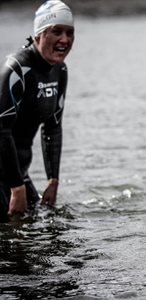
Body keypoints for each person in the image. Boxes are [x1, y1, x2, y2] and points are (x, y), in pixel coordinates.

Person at [0, 0, 75, 222]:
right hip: (8, 176)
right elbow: (1, 132)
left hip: (18, 173)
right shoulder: (16, 70)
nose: (65, 40)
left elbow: (53, 125)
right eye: (57, 31)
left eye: (70, 33)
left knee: (53, 223)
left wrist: (53, 179)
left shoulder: (59, 70)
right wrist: (17, 188)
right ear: (39, 34)